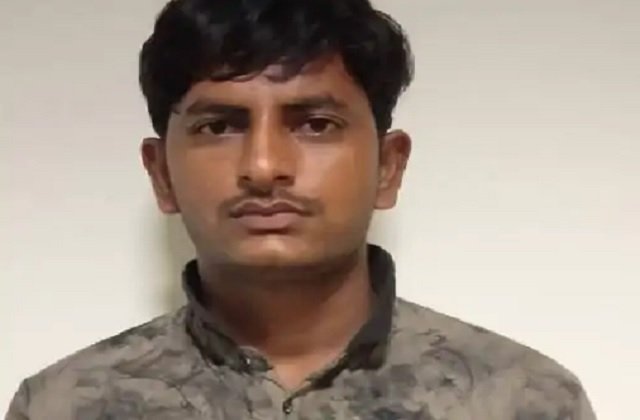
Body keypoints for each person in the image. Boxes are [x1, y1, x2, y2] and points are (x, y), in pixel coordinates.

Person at [5, 0, 597, 419]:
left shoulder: (521, 400)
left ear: (388, 167)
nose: (264, 167)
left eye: (316, 124)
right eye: (219, 126)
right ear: (162, 175)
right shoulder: (65, 405)